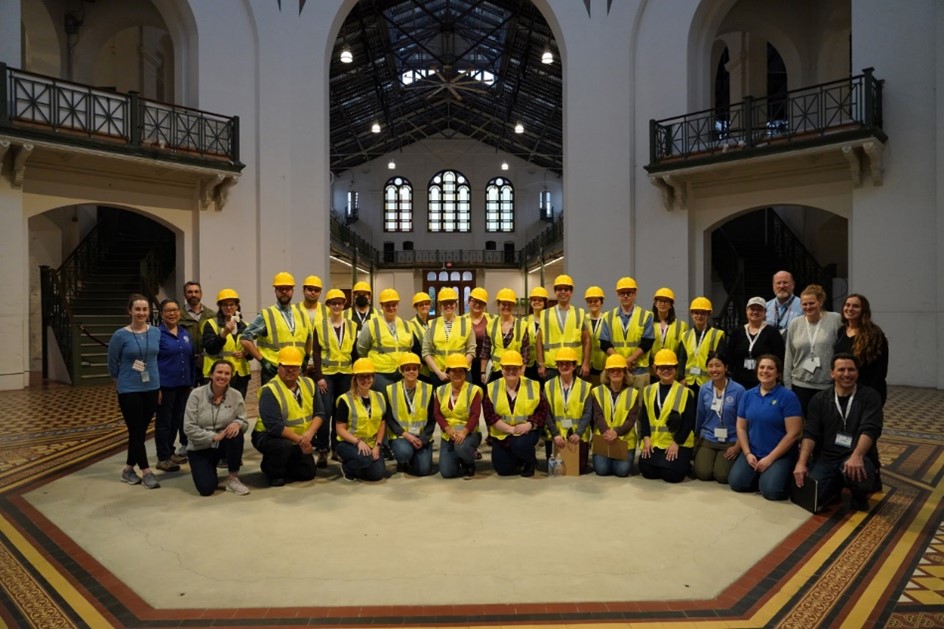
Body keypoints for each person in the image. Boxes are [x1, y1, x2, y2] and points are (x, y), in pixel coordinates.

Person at [793, 353, 883, 511]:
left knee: (861, 474)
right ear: (832, 373)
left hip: (855, 454)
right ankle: (834, 486)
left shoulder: (870, 397)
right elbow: (810, 433)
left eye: (851, 370)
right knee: (812, 498)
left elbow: (870, 429)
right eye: (841, 370)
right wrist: (801, 463)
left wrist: (857, 456)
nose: (846, 374)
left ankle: (859, 495)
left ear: (857, 372)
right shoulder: (819, 399)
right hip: (827, 457)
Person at [729, 355, 803, 500]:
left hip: (778, 454)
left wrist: (770, 459)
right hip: (754, 451)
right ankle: (763, 475)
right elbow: (741, 427)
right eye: (762, 367)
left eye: (770, 368)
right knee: (736, 483)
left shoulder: (788, 397)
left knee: (771, 491)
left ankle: (772, 476)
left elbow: (793, 434)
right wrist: (748, 453)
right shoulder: (748, 395)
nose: (765, 371)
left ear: (778, 373)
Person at [107, 293, 162, 489]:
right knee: (136, 430)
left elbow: (156, 360)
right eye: (137, 309)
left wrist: (159, 387)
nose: (141, 313)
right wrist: (120, 383)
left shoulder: (155, 332)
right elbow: (112, 363)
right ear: (130, 310)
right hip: (129, 388)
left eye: (144, 309)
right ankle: (146, 471)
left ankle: (128, 469)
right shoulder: (120, 335)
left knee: (139, 431)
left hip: (152, 387)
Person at [250, 346, 325, 486]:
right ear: (278, 367)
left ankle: (287, 461)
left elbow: (319, 413)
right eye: (286, 366)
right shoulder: (269, 390)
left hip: (301, 438)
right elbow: (275, 428)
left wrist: (309, 434)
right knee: (282, 447)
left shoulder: (309, 384)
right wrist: (302, 442)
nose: (290, 370)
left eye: (294, 367)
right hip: (269, 436)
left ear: (300, 368)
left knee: (307, 474)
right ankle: (271, 470)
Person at [183, 359, 250, 496]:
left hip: (224, 444)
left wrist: (237, 423)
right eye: (219, 372)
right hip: (200, 446)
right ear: (211, 374)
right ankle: (205, 467)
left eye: (227, 373)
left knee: (236, 434)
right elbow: (189, 428)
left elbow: (244, 421)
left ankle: (233, 478)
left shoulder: (236, 395)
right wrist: (213, 436)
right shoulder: (196, 394)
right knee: (206, 489)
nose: (223, 376)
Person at [240, 272, 313, 386]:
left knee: (295, 402)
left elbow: (309, 338)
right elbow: (245, 338)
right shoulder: (267, 315)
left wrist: (306, 358)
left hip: (296, 369)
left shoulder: (302, 314)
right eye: (280, 289)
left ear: (292, 291)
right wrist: (263, 361)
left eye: (287, 289)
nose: (284, 292)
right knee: (272, 402)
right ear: (275, 291)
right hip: (273, 370)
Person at [483, 350, 548, 477]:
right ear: (501, 369)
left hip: (526, 432)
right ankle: (518, 458)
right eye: (507, 368)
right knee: (503, 470)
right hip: (502, 434)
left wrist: (530, 425)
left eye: (515, 368)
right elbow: (490, 415)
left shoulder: (533, 385)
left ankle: (530, 461)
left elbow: (543, 410)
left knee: (519, 444)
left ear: (521, 369)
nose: (511, 371)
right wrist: (510, 430)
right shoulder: (492, 387)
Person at [783, 284, 843, 416]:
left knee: (826, 425)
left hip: (827, 385)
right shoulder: (795, 323)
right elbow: (789, 356)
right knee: (803, 426)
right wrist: (787, 386)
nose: (808, 307)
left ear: (820, 301)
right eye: (804, 304)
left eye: (811, 303)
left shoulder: (835, 319)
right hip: (800, 385)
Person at [314, 288, 357, 465]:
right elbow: (316, 352)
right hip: (327, 376)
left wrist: (356, 374)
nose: (337, 306)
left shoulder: (352, 325)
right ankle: (323, 449)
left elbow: (354, 352)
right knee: (325, 411)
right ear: (329, 305)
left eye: (340, 303)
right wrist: (319, 376)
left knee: (341, 413)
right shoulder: (320, 325)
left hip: (346, 375)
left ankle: (337, 448)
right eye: (334, 303)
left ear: (344, 305)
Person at [639, 349, 695, 483]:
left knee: (672, 476)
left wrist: (676, 443)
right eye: (662, 368)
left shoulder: (685, 392)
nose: (666, 371)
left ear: (676, 369)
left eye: (670, 367)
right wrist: (646, 439)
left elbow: (688, 422)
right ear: (656, 369)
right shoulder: (648, 391)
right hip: (655, 442)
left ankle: (684, 463)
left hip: (676, 442)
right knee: (647, 471)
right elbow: (645, 418)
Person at [155, 298, 194, 473]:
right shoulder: (156, 334)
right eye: (168, 311)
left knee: (177, 420)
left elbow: (190, 358)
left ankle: (170, 452)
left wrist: (191, 382)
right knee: (164, 422)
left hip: (183, 384)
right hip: (165, 386)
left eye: (175, 310)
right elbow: (151, 361)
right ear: (162, 314)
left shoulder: (185, 333)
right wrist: (156, 387)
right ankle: (162, 457)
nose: (172, 313)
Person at [693, 352, 745, 483]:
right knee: (703, 473)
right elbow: (700, 414)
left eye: (718, 365)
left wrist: (738, 445)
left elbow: (744, 421)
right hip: (709, 437)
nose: (714, 370)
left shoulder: (739, 390)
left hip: (731, 439)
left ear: (726, 367)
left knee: (722, 476)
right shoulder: (704, 389)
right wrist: (696, 438)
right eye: (710, 366)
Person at [335, 358, 387, 482]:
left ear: (373, 378)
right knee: (365, 459)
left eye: (368, 377)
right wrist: (358, 442)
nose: (365, 380)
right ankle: (348, 467)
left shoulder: (379, 397)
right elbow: (339, 429)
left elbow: (382, 423)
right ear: (355, 379)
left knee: (377, 475)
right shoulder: (345, 399)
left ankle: (362, 465)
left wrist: (377, 446)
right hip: (349, 443)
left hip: (371, 443)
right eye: (361, 377)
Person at [432, 354, 483, 478]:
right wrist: (447, 429)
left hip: (469, 433)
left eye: (461, 371)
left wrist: (464, 432)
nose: (457, 374)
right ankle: (461, 456)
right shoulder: (441, 390)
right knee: (447, 473)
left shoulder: (474, 390)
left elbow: (475, 415)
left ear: (466, 373)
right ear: (448, 373)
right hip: (449, 434)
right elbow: (437, 413)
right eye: (453, 371)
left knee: (461, 446)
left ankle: (469, 463)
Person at [384, 353, 436, 476]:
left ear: (419, 370)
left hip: (421, 437)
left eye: (414, 369)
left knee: (423, 471)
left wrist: (423, 439)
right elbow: (389, 418)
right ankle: (403, 461)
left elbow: (433, 419)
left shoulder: (428, 389)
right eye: (407, 369)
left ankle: (414, 458)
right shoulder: (390, 390)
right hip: (401, 436)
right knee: (403, 452)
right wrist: (406, 435)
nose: (411, 372)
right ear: (402, 371)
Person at [599, 277, 655, 391]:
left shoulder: (646, 315)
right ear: (617, 295)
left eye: (629, 293)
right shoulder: (608, 317)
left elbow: (647, 342)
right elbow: (604, 343)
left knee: (639, 405)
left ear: (635, 294)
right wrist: (620, 361)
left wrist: (630, 359)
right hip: (616, 371)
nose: (625, 296)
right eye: (622, 293)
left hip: (639, 370)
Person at [589, 354, 640, 477]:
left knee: (622, 471)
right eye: (612, 370)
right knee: (602, 470)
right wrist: (607, 432)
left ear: (624, 372)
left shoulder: (633, 393)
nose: (615, 373)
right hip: (603, 437)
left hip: (624, 440)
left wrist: (616, 432)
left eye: (619, 370)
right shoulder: (597, 391)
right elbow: (597, 416)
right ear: (607, 373)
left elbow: (631, 419)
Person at [544, 347, 593, 474]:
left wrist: (579, 433)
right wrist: (555, 434)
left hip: (577, 437)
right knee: (557, 469)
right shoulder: (548, 386)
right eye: (561, 363)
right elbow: (546, 413)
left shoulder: (585, 387)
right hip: (556, 437)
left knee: (579, 469)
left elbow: (588, 413)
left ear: (574, 365)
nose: (564, 366)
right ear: (556, 366)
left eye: (567, 363)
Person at [355, 288, 414, 391]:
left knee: (400, 402)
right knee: (384, 401)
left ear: (397, 305)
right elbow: (361, 349)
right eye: (387, 305)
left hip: (402, 372)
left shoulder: (407, 325)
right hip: (380, 373)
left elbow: (410, 346)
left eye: (394, 304)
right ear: (382, 306)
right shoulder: (371, 325)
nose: (391, 308)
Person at [834, 294, 889, 405]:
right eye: (847, 305)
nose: (850, 309)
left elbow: (880, 369)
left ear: (863, 310)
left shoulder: (874, 333)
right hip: (844, 388)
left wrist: (870, 394)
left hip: (867, 391)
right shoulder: (841, 331)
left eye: (855, 306)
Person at [536, 274, 591, 381]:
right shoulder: (545, 314)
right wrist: (541, 364)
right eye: (559, 289)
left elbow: (587, 340)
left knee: (574, 396)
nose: (563, 292)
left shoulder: (580, 313)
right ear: (555, 292)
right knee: (552, 396)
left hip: (573, 365)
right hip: (552, 366)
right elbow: (539, 341)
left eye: (566, 289)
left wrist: (586, 363)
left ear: (571, 292)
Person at [726, 296, 785, 389]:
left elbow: (779, 358)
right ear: (746, 311)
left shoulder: (772, 333)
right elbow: (730, 356)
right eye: (752, 309)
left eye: (759, 309)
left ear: (765, 313)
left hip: (764, 382)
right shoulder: (737, 332)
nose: (755, 312)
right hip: (739, 382)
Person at [202, 288, 251, 399]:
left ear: (237, 306)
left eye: (232, 304)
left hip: (240, 374)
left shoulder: (245, 326)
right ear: (220, 306)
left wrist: (245, 353)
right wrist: (223, 334)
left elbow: (251, 353)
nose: (229, 308)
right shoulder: (211, 324)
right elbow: (210, 349)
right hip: (219, 374)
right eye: (225, 305)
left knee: (237, 406)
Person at [422, 287, 476, 386]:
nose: (448, 306)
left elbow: (471, 350)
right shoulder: (432, 324)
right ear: (439, 306)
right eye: (444, 303)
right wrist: (438, 373)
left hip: (462, 373)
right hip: (439, 375)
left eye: (451, 302)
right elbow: (426, 352)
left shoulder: (466, 323)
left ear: (456, 305)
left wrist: (460, 370)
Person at [678, 297, 726, 395]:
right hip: (689, 382)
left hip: (709, 382)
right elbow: (682, 358)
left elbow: (721, 360)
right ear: (691, 314)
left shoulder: (717, 335)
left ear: (708, 315)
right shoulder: (685, 335)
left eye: (703, 313)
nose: (699, 316)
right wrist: (681, 378)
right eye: (696, 313)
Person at [481, 288, 530, 384]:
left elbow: (525, 353)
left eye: (509, 304)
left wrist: (522, 371)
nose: (506, 307)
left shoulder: (522, 325)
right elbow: (485, 351)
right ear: (498, 305)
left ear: (513, 306)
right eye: (503, 304)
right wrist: (483, 372)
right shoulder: (491, 325)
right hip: (495, 371)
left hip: (515, 371)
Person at [180, 280, 216, 385]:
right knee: (188, 397)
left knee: (207, 396)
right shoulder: (178, 316)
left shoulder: (212, 315)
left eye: (196, 291)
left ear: (201, 294)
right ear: (185, 294)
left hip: (207, 363)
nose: (193, 295)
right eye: (190, 292)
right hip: (186, 363)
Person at [649, 287, 687, 374]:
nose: (663, 304)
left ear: (670, 305)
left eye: (666, 301)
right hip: (653, 370)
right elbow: (645, 346)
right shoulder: (648, 324)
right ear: (655, 304)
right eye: (660, 301)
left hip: (672, 370)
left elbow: (682, 353)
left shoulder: (681, 325)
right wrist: (652, 365)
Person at [465, 287, 492, 386]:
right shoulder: (461, 320)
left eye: (481, 302)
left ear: (484, 304)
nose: (477, 304)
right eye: (474, 301)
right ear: (469, 301)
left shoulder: (491, 320)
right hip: (467, 364)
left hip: (486, 364)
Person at [766, 271, 803, 336]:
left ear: (793, 285)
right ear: (773, 285)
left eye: (785, 283)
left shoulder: (803, 306)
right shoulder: (765, 307)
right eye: (778, 283)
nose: (782, 286)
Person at [584, 286, 607, 384]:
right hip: (587, 365)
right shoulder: (582, 319)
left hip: (603, 365)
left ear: (601, 302)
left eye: (596, 301)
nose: (593, 303)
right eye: (590, 301)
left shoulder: (607, 319)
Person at [524, 286, 548, 382]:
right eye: (534, 300)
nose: (537, 302)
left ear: (545, 303)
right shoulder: (524, 321)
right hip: (529, 364)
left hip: (545, 362)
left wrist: (542, 364)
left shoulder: (549, 320)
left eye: (540, 300)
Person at [409, 292, 434, 382]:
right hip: (421, 370)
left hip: (433, 368)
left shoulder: (431, 323)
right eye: (421, 305)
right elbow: (413, 349)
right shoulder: (411, 325)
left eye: (426, 304)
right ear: (416, 307)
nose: (424, 306)